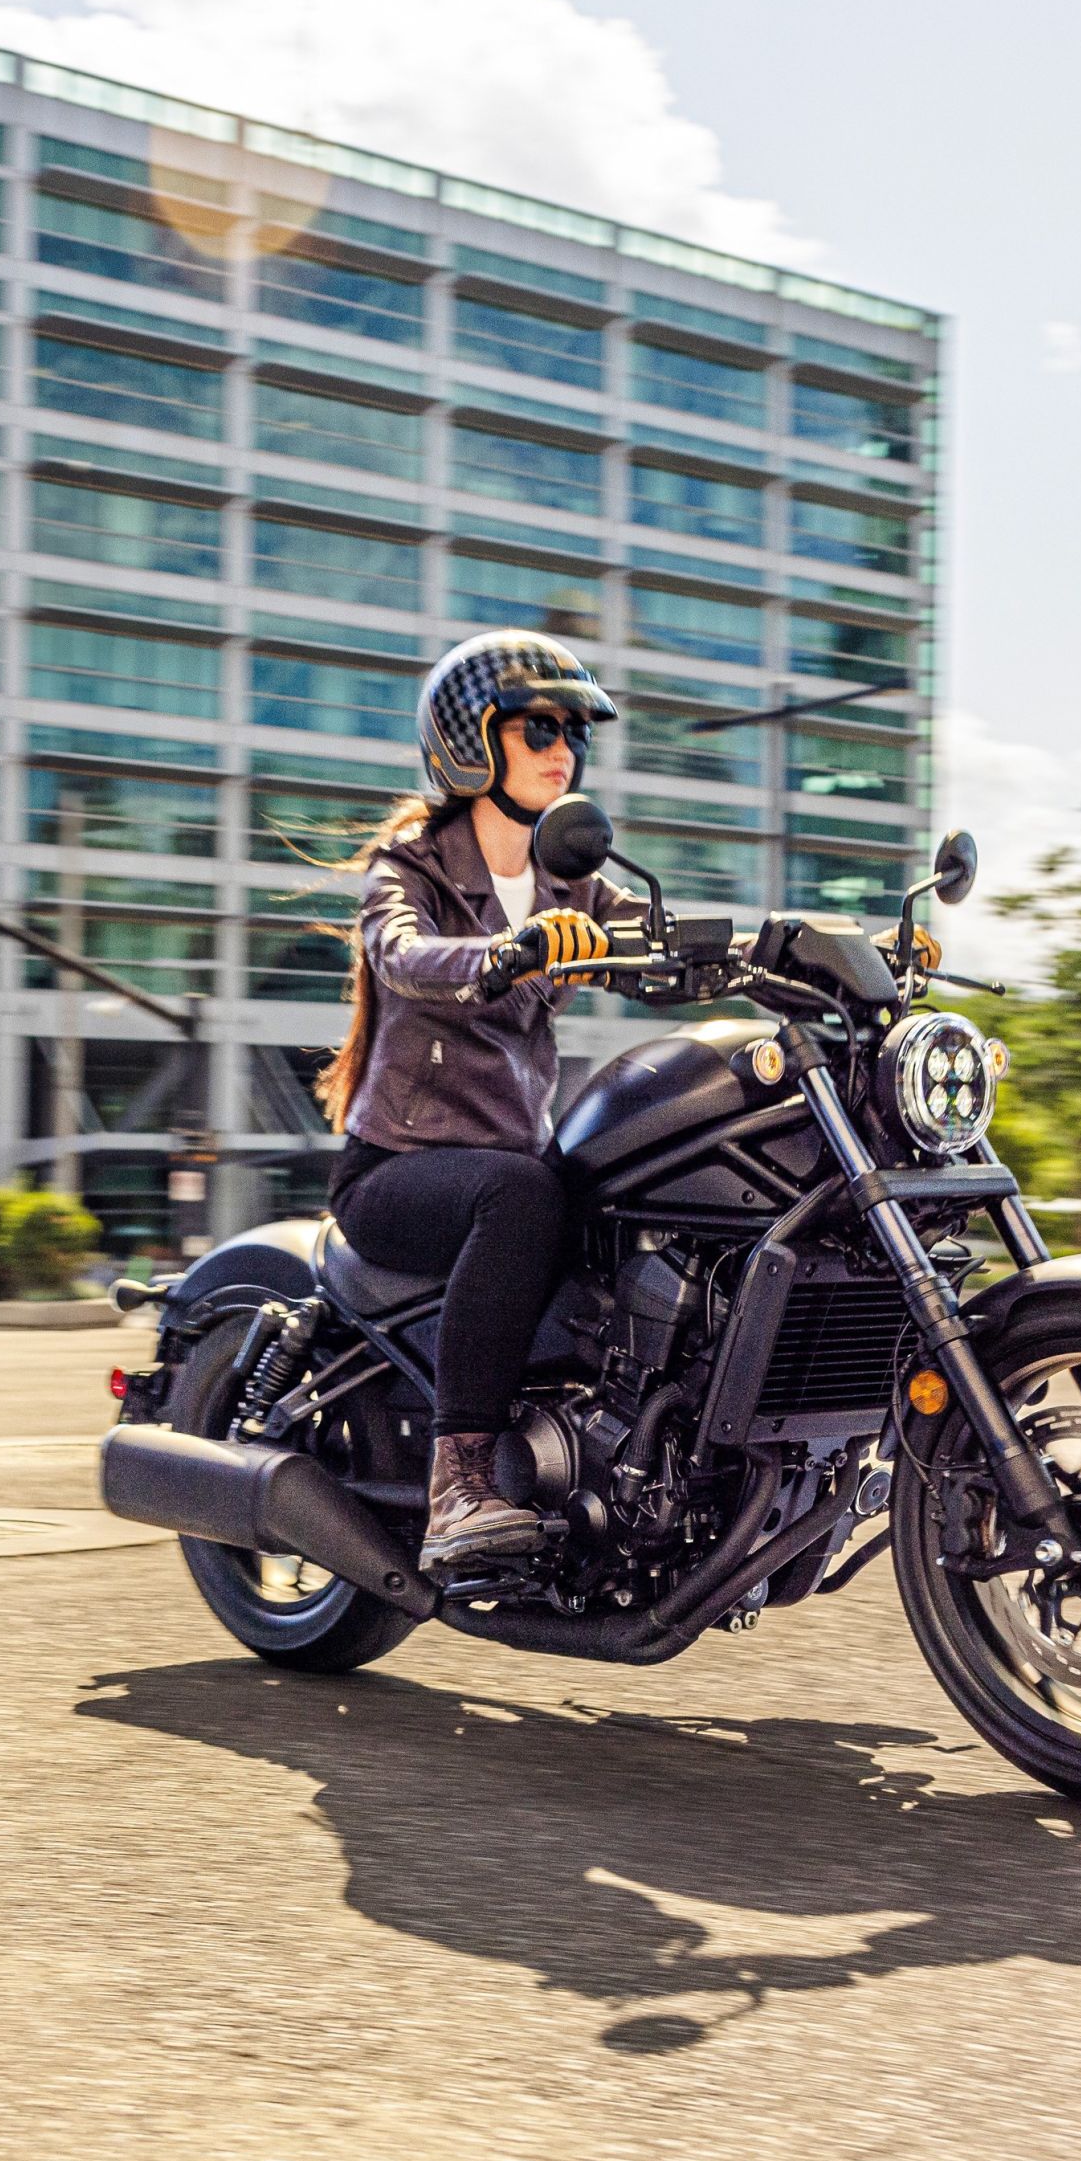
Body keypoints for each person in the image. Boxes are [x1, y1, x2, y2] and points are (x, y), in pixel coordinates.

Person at [314, 631, 647, 1574]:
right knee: (526, 1194)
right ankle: (457, 1480)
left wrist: (805, 946)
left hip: (501, 1162)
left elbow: (661, 937)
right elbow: (402, 953)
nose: (563, 748)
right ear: (470, 740)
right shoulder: (412, 865)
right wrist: (508, 951)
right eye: (539, 725)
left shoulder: (570, 878)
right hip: (396, 1177)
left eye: (574, 730)